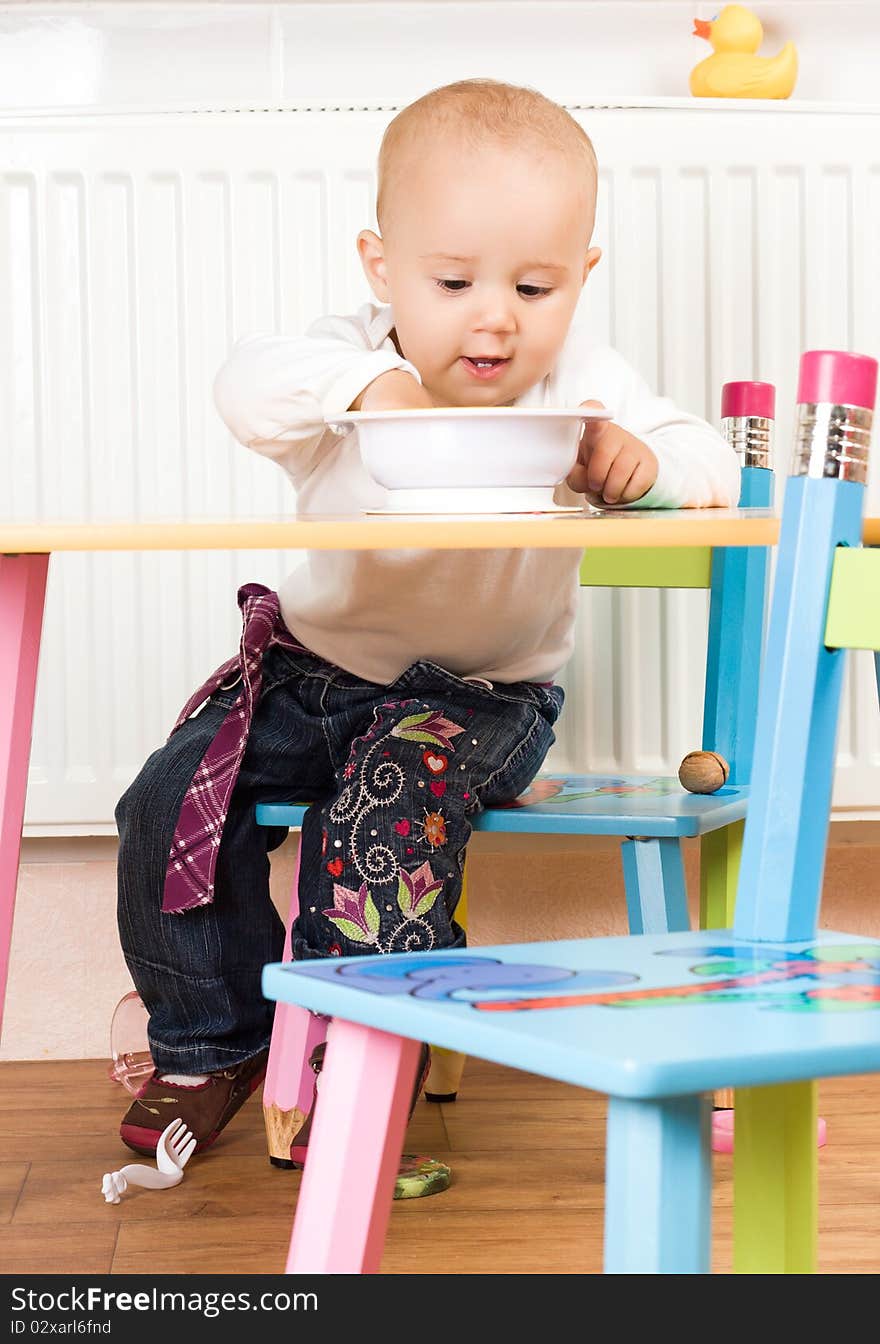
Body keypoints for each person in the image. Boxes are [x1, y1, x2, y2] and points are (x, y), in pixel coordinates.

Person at [115, 78, 740, 1197]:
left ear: (579, 279)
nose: (493, 316)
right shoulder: (347, 367)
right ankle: (212, 1046)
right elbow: (247, 382)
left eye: (533, 285)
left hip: (482, 698)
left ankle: (360, 1073)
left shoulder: (581, 388)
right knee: (167, 801)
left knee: (386, 808)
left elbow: (706, 459)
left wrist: (640, 472)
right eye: (452, 282)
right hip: (312, 674)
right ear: (380, 267)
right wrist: (376, 386)